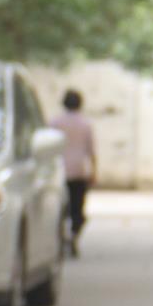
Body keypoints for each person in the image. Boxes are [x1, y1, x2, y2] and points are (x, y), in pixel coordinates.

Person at [48, 89, 97, 256]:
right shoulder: (85, 124)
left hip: (58, 173)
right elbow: (91, 151)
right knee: (78, 210)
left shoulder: (54, 123)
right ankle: (73, 235)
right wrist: (94, 172)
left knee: (60, 210)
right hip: (78, 172)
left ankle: (62, 238)